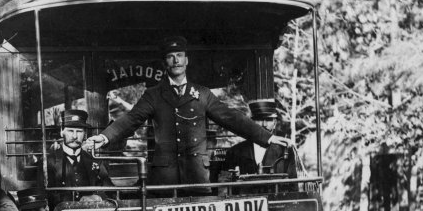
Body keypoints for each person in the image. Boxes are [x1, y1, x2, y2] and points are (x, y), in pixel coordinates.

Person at [84, 35, 283, 186]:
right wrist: (103, 138)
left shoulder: (203, 94)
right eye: (170, 57)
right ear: (165, 63)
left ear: (187, 60)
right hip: (165, 179)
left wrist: (267, 137)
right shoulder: (153, 95)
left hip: (198, 178)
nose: (176, 61)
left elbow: (231, 118)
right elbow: (130, 119)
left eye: (179, 56)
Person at [28, 109, 110, 208]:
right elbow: (43, 196)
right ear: (61, 132)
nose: (75, 136)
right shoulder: (48, 162)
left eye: (79, 131)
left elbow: (111, 191)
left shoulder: (95, 161)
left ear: (85, 134)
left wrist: (97, 197)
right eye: (70, 131)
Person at [222, 98, 297, 179]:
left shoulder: (285, 151)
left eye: (268, 120)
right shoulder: (235, 152)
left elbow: (292, 185)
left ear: (274, 123)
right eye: (259, 119)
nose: (264, 124)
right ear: (251, 123)